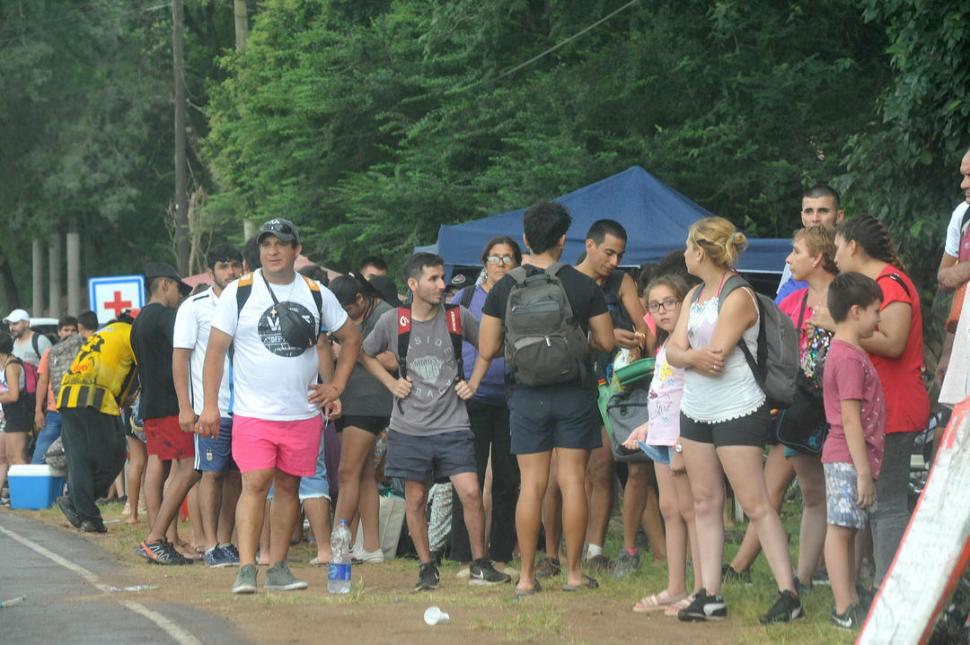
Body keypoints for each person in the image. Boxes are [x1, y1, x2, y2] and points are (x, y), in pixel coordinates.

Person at [199, 217, 361, 594]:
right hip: (253, 412)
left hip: (302, 413)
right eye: (266, 244)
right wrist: (209, 405)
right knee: (255, 483)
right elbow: (216, 351)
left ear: (296, 250)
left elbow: (351, 339)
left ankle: (279, 565)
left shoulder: (316, 292)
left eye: (281, 244)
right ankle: (245, 567)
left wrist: (335, 386)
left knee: (289, 487)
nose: (272, 251)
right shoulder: (240, 292)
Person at [666, 216, 801, 623]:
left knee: (755, 501)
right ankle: (709, 592)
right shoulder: (694, 294)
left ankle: (788, 593)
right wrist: (688, 356)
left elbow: (716, 356)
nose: (685, 254)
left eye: (689, 247)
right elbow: (674, 352)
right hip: (696, 406)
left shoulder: (737, 295)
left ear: (702, 251)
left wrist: (686, 355)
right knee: (705, 499)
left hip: (737, 405)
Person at [475, 202, 615, 596]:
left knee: (532, 484)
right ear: (563, 240)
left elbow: (487, 347)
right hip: (573, 392)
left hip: (525, 394)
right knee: (572, 482)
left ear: (524, 240)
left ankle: (525, 577)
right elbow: (605, 341)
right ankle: (572, 574)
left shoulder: (504, 287)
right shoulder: (581, 284)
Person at [360, 253, 510, 591]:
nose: (442, 285)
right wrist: (391, 383)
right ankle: (427, 567)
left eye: (443, 278)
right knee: (414, 499)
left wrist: (473, 381)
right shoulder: (394, 321)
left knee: (471, 492)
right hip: (409, 428)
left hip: (453, 424)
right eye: (433, 279)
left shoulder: (458, 317)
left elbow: (491, 347)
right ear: (413, 284)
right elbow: (364, 352)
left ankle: (479, 563)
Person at [817, 215, 928, 588]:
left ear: (853, 247)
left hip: (895, 407)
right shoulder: (874, 285)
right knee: (876, 504)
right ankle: (875, 586)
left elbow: (894, 344)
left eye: (836, 248)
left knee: (888, 504)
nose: (834, 256)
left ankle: (888, 591)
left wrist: (839, 329)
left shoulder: (890, 286)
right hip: (880, 409)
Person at [572, 220, 653, 574]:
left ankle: (595, 550)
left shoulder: (622, 282)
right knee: (580, 472)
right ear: (589, 246)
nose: (615, 261)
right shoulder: (568, 280)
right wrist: (603, 337)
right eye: (609, 252)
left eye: (620, 254)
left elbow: (645, 330)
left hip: (617, 385)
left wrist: (637, 346)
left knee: (605, 466)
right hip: (578, 380)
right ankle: (565, 551)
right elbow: (564, 334)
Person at [624, 274, 703, 615]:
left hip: (681, 438)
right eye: (654, 305)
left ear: (684, 302)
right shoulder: (664, 345)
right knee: (670, 510)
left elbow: (694, 394)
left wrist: (683, 440)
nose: (661, 310)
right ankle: (675, 586)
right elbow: (665, 394)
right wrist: (646, 426)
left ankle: (702, 589)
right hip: (660, 435)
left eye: (669, 302)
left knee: (691, 512)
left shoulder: (690, 343)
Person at [448, 237, 522, 578]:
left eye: (509, 257)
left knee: (508, 479)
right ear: (484, 261)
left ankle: (501, 553)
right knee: (468, 477)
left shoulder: (522, 296)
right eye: (495, 257)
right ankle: (465, 555)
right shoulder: (464, 298)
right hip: (471, 398)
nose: (502, 263)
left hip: (512, 397)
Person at [821, 272, 886, 629]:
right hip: (847, 458)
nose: (880, 318)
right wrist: (863, 472)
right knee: (840, 529)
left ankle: (850, 599)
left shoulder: (851, 352)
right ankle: (843, 606)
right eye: (877, 311)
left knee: (848, 527)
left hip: (851, 457)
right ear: (857, 312)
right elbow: (849, 420)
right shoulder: (848, 358)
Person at [776, 227, 839, 591]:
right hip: (801, 408)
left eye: (796, 251)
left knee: (843, 493)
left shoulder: (849, 295)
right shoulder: (791, 302)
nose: (788, 258)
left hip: (841, 407)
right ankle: (802, 577)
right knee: (814, 494)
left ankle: (844, 574)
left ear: (817, 258)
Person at [172, 244, 243, 568]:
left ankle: (226, 541)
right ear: (210, 269)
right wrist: (186, 407)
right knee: (210, 475)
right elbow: (181, 358)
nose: (230, 272)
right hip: (210, 408)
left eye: (234, 266)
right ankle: (210, 542)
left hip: (246, 408)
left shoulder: (249, 302)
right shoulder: (195, 307)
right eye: (224, 266)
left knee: (236, 477)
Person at [132, 262, 198, 565]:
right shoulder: (168, 317)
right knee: (189, 469)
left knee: (162, 466)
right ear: (166, 285)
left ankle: (164, 538)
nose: (179, 298)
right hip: (171, 404)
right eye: (177, 291)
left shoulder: (140, 319)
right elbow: (186, 350)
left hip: (152, 404)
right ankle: (156, 539)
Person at [327, 274, 395, 564]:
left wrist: (349, 352)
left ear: (361, 299)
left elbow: (393, 359)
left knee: (347, 473)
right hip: (347, 399)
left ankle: (338, 547)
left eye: (348, 310)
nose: (344, 317)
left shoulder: (385, 314)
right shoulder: (347, 316)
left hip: (367, 402)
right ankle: (371, 546)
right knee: (364, 473)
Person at [55, 317, 138, 532]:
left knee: (80, 460)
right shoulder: (132, 335)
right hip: (95, 396)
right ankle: (79, 504)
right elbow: (135, 373)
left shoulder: (102, 334)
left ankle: (87, 514)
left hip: (67, 396)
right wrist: (125, 398)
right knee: (116, 455)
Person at [934, 148, 970, 387]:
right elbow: (944, 279)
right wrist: (947, 354)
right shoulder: (962, 214)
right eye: (963, 175)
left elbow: (954, 275)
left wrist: (962, 272)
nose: (963, 184)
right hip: (963, 338)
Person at [775, 185, 846, 303]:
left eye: (823, 211)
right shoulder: (794, 259)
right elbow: (779, 310)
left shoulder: (851, 257)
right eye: (809, 211)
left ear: (839, 216)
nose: (815, 219)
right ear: (802, 217)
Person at [30, 315, 83, 464]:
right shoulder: (50, 353)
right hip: (54, 413)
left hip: (77, 412)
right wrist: (38, 410)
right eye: (66, 330)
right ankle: (39, 488)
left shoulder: (83, 353)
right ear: (59, 332)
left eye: (73, 330)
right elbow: (42, 382)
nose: (70, 333)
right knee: (39, 457)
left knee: (75, 458)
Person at [0, 331, 31, 498]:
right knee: (8, 456)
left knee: (17, 457)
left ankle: (25, 496)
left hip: (18, 414)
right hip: (9, 415)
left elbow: (13, 395)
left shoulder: (12, 366)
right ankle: (17, 495)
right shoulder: (6, 364)